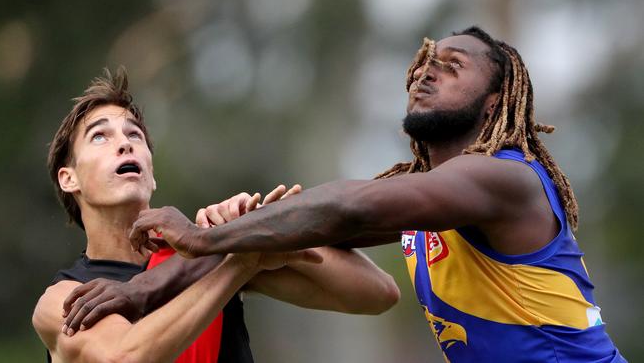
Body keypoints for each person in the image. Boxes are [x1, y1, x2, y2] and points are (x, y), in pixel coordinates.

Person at [130, 27, 627, 362]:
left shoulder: (504, 178)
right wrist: (145, 285)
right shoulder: (430, 197)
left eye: (452, 66)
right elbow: (297, 232)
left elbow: (346, 206)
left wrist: (197, 236)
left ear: (495, 100)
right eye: (426, 62)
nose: (426, 72)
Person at [32, 68, 400, 363]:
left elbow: (377, 295)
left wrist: (260, 228)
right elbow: (123, 356)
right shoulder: (60, 299)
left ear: (151, 173)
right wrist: (239, 262)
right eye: (100, 136)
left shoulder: (205, 254)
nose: (125, 142)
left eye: (135, 135)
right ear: (69, 178)